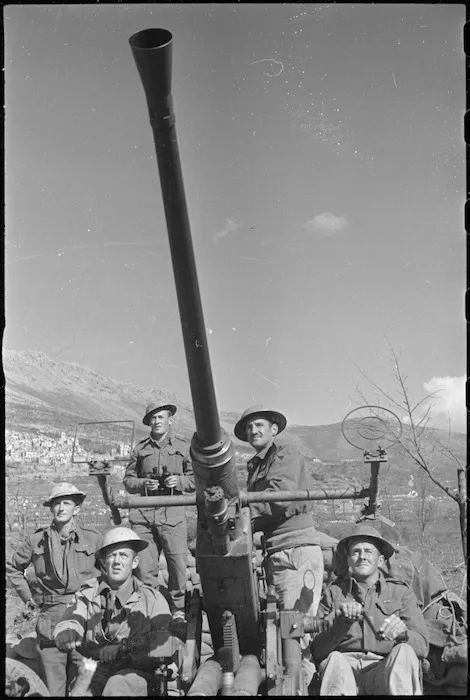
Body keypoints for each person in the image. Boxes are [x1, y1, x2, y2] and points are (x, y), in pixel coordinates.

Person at [234, 404, 324, 688]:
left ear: (274, 429)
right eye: (249, 427)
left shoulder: (285, 454)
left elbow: (278, 497)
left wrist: (241, 511)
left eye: (259, 425)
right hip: (277, 551)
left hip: (294, 551)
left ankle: (298, 688)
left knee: (295, 635)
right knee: (282, 634)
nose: (253, 431)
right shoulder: (256, 464)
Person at [53, 526, 178, 697]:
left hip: (139, 674)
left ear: (134, 563)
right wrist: (67, 632)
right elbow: (73, 618)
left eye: (124, 555)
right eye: (112, 555)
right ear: (104, 562)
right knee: (80, 692)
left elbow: (166, 641)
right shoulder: (88, 594)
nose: (117, 561)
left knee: (117, 686)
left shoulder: (152, 599)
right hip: (97, 668)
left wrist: (124, 649)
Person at [6, 482, 102, 697]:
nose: (60, 508)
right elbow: (12, 567)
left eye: (66, 503)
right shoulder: (37, 540)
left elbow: (107, 574)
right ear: (51, 508)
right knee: (52, 687)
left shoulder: (93, 538)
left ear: (76, 509)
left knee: (85, 683)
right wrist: (28, 598)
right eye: (56, 503)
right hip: (50, 618)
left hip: (84, 618)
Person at [311, 523, 429, 695]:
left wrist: (403, 634)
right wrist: (340, 624)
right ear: (348, 559)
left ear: (380, 561)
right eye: (356, 552)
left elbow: (423, 646)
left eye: (368, 551)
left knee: (404, 652)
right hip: (346, 670)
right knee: (334, 659)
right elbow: (317, 651)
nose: (362, 557)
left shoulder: (401, 592)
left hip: (385, 669)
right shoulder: (333, 593)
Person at [123, 402, 195, 623]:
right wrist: (144, 483)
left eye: (161, 417)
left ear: (169, 419)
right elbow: (128, 480)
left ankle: (178, 609)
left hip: (172, 514)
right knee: (145, 567)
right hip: (144, 516)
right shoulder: (140, 449)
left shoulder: (183, 447)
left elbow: (197, 479)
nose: (157, 422)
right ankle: (151, 608)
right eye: (153, 418)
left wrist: (180, 481)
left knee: (177, 565)